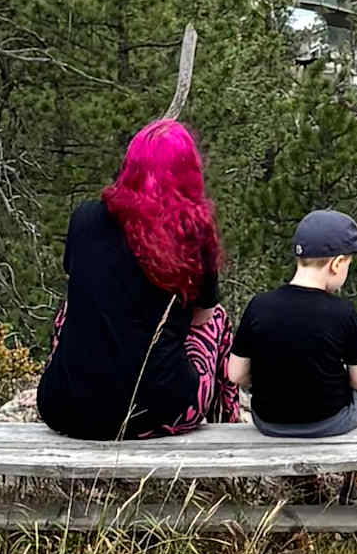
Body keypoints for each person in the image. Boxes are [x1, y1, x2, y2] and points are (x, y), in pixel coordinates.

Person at [38, 118, 233, 439]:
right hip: (158, 412)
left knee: (71, 307)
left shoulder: (85, 218)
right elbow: (203, 318)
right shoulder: (194, 233)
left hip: (65, 408)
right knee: (217, 320)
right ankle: (225, 420)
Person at [233, 208, 357, 434]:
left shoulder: (259, 305)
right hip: (329, 421)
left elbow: (236, 374)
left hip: (269, 422)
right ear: (336, 264)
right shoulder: (343, 312)